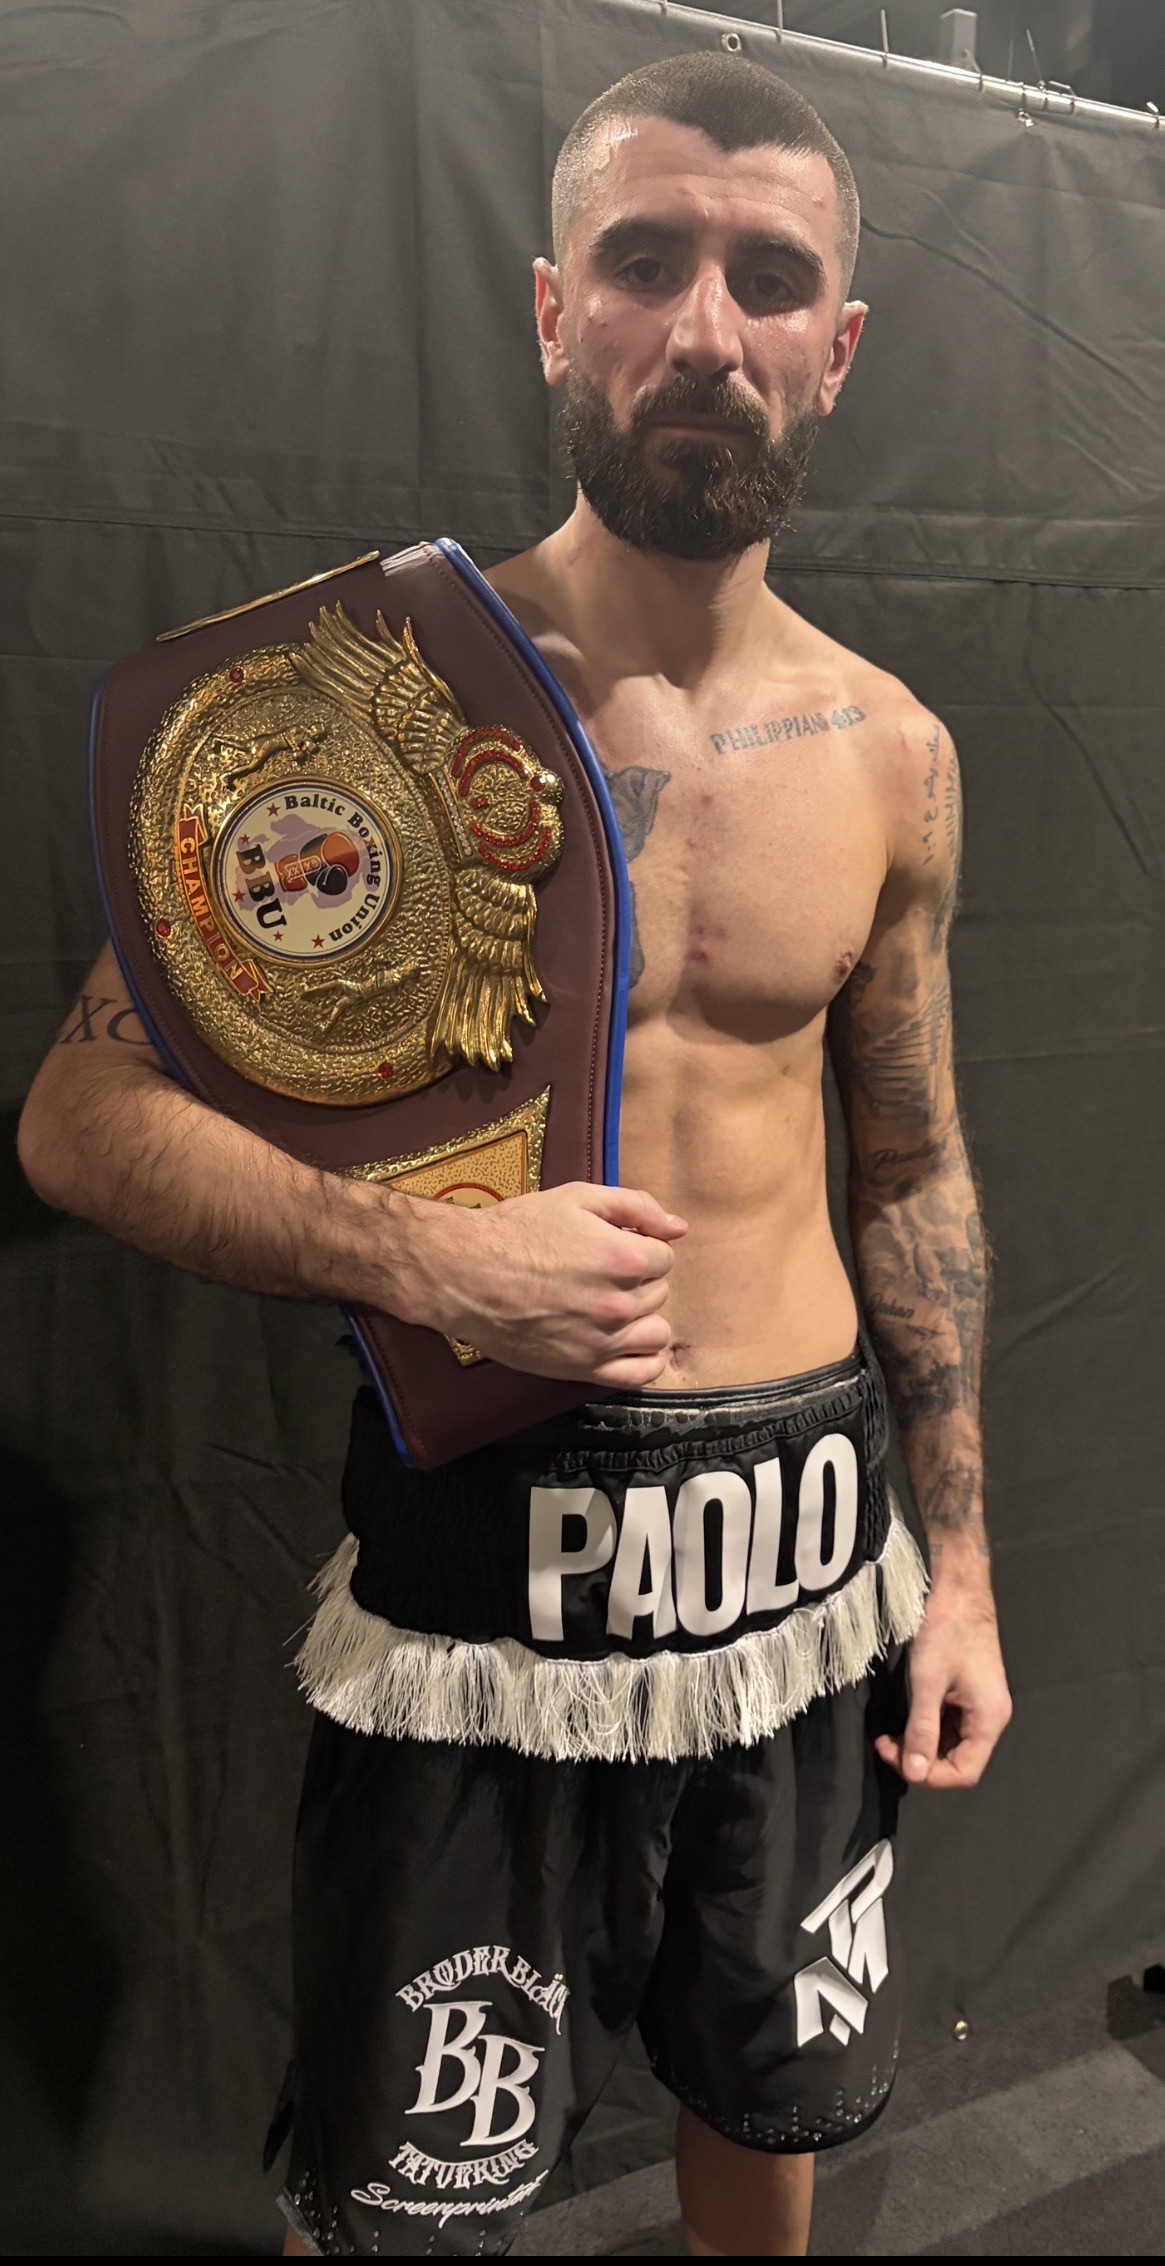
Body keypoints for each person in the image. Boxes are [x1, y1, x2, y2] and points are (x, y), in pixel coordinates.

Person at [18, 52, 1012, 2261]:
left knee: (774, 2090)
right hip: (488, 1556)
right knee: (407, 2176)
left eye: (770, 279)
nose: (704, 327)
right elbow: (77, 1119)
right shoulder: (354, 706)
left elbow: (915, 1173)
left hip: (800, 1547)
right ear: (553, 306)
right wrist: (422, 1258)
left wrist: (954, 1564)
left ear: (835, 347)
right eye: (645, 262)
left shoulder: (892, 754)